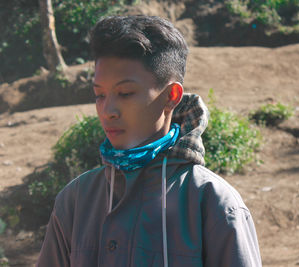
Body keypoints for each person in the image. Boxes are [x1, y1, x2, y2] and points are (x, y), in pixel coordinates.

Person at [36, 15, 262, 267]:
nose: (108, 110)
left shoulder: (214, 204)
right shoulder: (75, 201)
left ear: (171, 96)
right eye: (99, 95)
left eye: (125, 93)